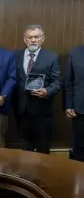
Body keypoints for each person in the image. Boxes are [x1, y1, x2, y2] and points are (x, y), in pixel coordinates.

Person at [12, 25, 61, 154]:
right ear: (25, 39)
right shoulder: (15, 56)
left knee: (42, 148)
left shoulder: (52, 57)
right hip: (22, 110)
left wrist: (47, 91)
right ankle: (25, 174)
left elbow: (57, 82)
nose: (33, 40)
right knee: (25, 148)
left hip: (42, 110)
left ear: (42, 39)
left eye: (36, 37)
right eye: (30, 37)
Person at [64, 45, 84, 162]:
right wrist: (68, 105)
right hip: (80, 109)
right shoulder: (75, 53)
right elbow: (68, 82)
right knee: (80, 146)